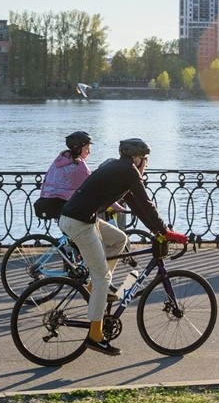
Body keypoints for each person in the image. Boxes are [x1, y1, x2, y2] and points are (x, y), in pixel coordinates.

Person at [58, 137, 187, 356]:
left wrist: (158, 231)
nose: (145, 164)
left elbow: (137, 206)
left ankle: (93, 289)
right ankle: (95, 336)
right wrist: (166, 232)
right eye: (145, 159)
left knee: (119, 239)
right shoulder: (129, 171)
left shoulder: (119, 169)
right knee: (103, 279)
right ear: (137, 158)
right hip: (79, 223)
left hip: (78, 218)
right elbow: (146, 202)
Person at [33, 131, 93, 220]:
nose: (89, 152)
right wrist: (116, 206)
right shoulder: (79, 166)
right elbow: (95, 185)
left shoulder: (60, 159)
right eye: (87, 149)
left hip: (46, 200)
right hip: (64, 205)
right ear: (78, 149)